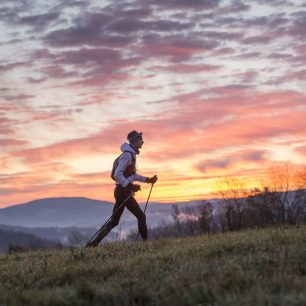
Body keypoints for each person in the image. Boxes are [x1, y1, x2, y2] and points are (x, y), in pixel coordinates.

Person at [87, 130, 158, 247]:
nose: (143, 142)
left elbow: (132, 175)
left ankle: (93, 244)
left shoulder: (131, 155)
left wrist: (148, 180)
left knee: (114, 221)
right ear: (135, 141)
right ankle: (146, 244)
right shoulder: (127, 155)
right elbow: (117, 175)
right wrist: (130, 185)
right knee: (141, 216)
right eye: (140, 140)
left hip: (122, 191)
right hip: (122, 191)